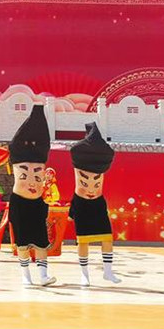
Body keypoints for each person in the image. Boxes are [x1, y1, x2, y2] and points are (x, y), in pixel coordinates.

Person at [8, 104, 56, 287]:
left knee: (41, 241)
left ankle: (43, 276)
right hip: (19, 203)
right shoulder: (17, 158)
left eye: (37, 175)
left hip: (36, 203)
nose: (31, 181)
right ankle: (25, 276)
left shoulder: (41, 162)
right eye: (24, 175)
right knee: (22, 242)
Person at [68, 122, 121, 286]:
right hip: (81, 204)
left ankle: (108, 271)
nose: (91, 188)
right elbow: (75, 149)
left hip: (98, 204)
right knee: (83, 241)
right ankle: (84, 274)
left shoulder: (101, 167)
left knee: (107, 238)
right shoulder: (78, 163)